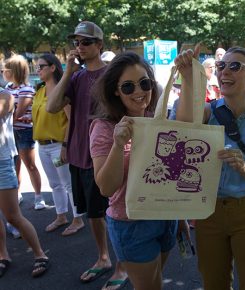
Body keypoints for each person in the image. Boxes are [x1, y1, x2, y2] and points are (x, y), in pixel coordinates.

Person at [175, 46, 245, 290]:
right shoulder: (209, 111)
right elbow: (182, 126)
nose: (225, 72)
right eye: (222, 66)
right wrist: (188, 76)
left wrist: (244, 168)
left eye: (235, 66)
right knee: (214, 284)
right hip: (209, 213)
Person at [89, 51, 183, 290]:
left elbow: (169, 174)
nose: (139, 92)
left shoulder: (155, 119)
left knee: (156, 283)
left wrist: (180, 215)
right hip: (131, 224)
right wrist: (119, 144)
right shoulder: (104, 128)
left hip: (164, 216)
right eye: (128, 87)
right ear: (115, 91)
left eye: (144, 83)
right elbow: (106, 187)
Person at [46, 21, 127, 288]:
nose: (80, 47)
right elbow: (53, 107)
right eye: (77, 42)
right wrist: (67, 70)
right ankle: (103, 257)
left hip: (105, 154)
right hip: (80, 154)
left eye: (86, 42)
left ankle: (122, 265)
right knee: (93, 213)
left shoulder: (112, 76)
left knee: (116, 212)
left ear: (100, 45)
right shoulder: (77, 76)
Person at [31, 53, 85, 235]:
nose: (37, 70)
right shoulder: (39, 91)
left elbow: (71, 120)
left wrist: (65, 145)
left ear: (53, 67)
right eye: (37, 67)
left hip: (57, 146)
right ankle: (61, 215)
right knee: (54, 183)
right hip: (42, 145)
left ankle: (78, 219)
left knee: (68, 183)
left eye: (41, 66)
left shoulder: (63, 91)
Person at [0, 87, 49, 278]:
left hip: (2, 162)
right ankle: (3, 256)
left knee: (13, 216)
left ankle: (40, 255)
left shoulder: (5, 96)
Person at [2, 54, 44, 210]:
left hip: (24, 132)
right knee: (15, 166)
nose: (3, 72)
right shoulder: (8, 88)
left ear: (14, 71)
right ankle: (17, 194)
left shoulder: (26, 89)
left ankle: (39, 197)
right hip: (12, 132)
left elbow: (17, 114)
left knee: (30, 165)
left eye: (5, 69)